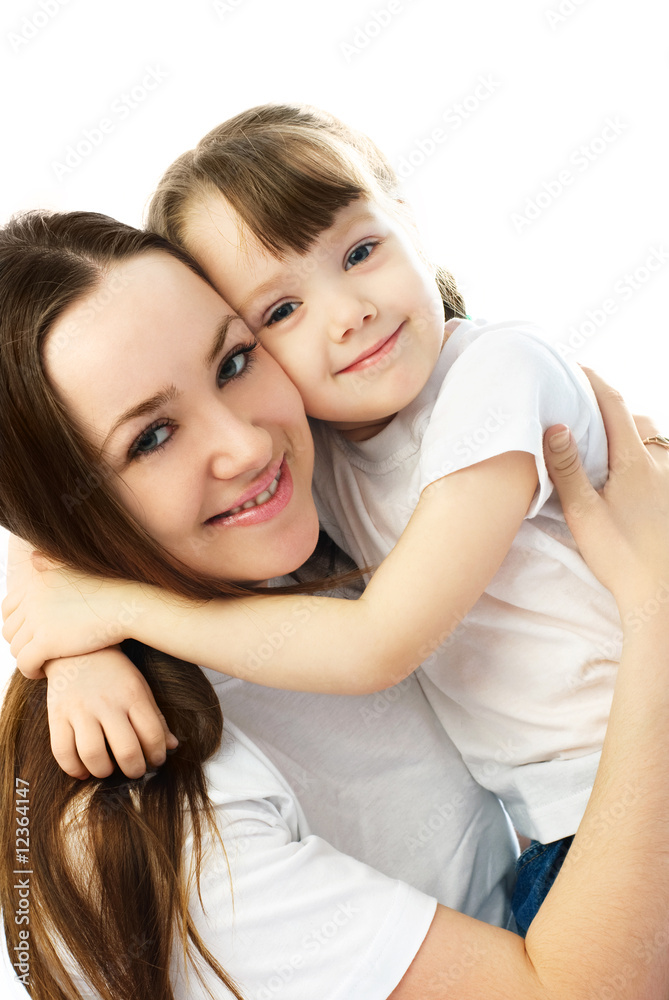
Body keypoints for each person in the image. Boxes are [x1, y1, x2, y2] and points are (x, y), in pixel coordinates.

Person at [4, 105, 647, 932]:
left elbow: (377, 644)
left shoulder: (499, 376)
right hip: (568, 831)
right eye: (279, 314)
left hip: (623, 794)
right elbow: (51, 471)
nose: (346, 314)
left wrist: (113, 609)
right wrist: (76, 649)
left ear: (407, 219)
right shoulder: (321, 447)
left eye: (360, 251)